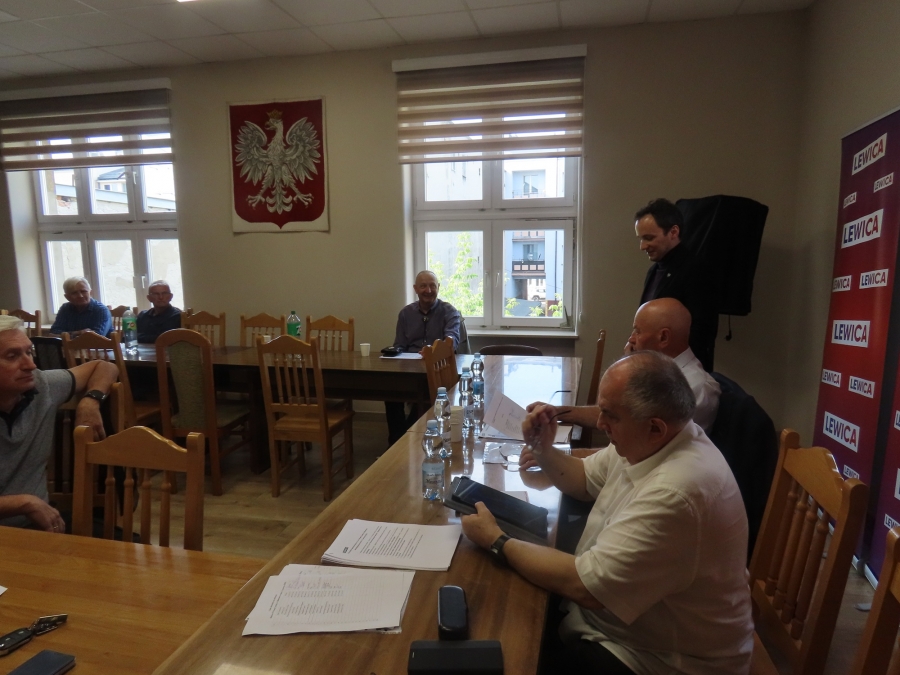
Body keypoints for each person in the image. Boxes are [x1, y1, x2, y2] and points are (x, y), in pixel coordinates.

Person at [461, 351, 752, 674]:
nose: (600, 424)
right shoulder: (656, 441)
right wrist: (542, 448)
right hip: (633, 630)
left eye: (610, 416)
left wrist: (497, 540)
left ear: (655, 427)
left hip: (663, 660)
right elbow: (583, 479)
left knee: (508, 646)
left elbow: (585, 587)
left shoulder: (677, 492)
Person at [0, 315, 119, 531]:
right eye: (12, 356)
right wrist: (24, 503)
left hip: (38, 524)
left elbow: (104, 367)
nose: (30, 365)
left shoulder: (40, 386)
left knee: (129, 547)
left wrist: (90, 401)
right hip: (15, 529)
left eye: (29, 352)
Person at [534, 298, 720, 433]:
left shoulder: (693, 388)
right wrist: (557, 412)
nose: (631, 339)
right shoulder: (661, 371)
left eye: (637, 331)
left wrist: (630, 367)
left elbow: (633, 438)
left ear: (663, 337)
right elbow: (612, 414)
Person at [635, 198, 718, 371]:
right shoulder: (653, 271)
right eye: (641, 239)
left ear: (673, 232)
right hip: (655, 367)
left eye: (649, 238)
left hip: (679, 372)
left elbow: (702, 332)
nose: (642, 246)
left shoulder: (697, 270)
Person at [385, 270, 461, 445]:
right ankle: (397, 442)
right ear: (415, 289)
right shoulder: (405, 314)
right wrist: (393, 352)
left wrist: (433, 352)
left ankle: (408, 439)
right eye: (423, 286)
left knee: (425, 396)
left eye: (432, 285)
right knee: (390, 393)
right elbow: (400, 344)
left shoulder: (450, 312)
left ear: (438, 287)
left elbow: (452, 343)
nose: (428, 290)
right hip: (410, 371)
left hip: (438, 370)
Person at [48, 276, 113, 338]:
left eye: (83, 291)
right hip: (70, 346)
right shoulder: (65, 308)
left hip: (99, 346)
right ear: (67, 297)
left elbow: (97, 336)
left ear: (90, 292)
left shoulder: (101, 310)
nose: (80, 296)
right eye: (74, 293)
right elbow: (54, 331)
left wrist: (67, 336)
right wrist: (78, 333)